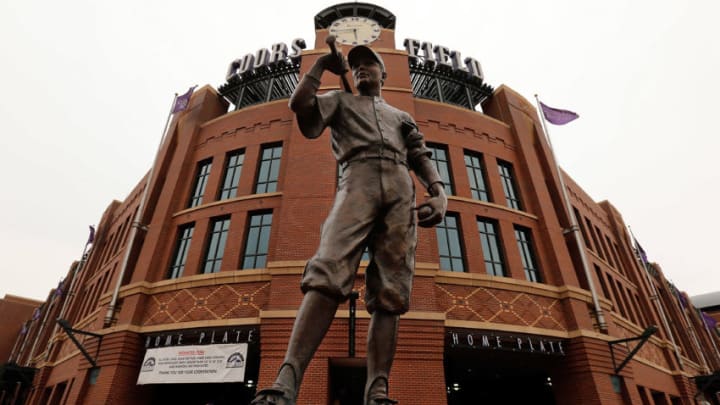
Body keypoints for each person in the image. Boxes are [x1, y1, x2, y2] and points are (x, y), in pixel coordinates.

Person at [251, 43, 447, 405]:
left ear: (383, 74)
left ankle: (377, 389)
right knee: (327, 272)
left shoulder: (400, 115)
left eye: (369, 65)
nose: (361, 70)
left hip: (400, 190)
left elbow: (420, 154)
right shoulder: (338, 101)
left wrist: (438, 191)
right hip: (357, 181)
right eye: (355, 66)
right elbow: (300, 105)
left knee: (391, 292)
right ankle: (287, 377)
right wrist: (322, 66)